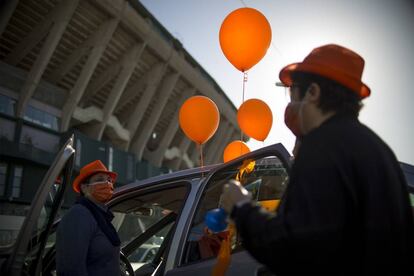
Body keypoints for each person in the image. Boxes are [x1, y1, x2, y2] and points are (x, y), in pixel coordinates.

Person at [221, 44, 414, 275]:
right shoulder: (379, 151)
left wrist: (241, 208)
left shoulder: (322, 145)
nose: (290, 104)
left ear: (312, 92)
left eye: (292, 94)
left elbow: (294, 249)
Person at [56, 160, 121, 276]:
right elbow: (71, 270)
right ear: (84, 188)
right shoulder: (78, 215)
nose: (107, 183)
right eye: (100, 179)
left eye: (109, 180)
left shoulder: (100, 215)